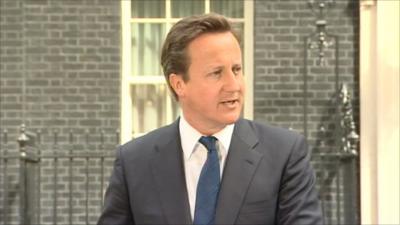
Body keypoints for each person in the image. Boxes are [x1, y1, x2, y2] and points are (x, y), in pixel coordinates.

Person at [98, 13, 323, 225]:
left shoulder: (285, 154)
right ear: (179, 84)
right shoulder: (134, 162)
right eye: (216, 73)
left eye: (236, 69)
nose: (234, 85)